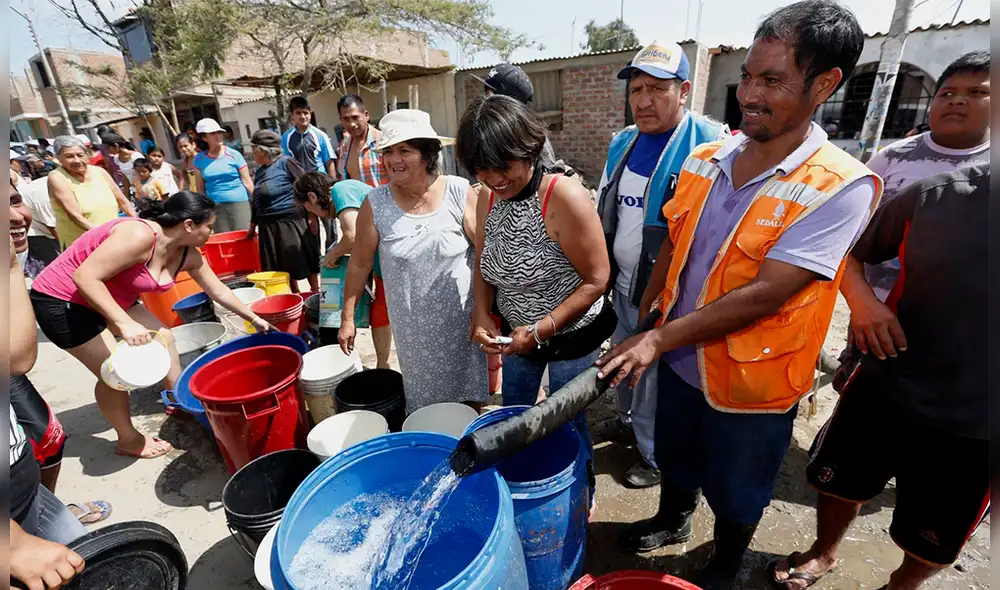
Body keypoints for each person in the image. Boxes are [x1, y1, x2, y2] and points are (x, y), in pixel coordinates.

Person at [597, 3, 881, 588]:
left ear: (825, 83)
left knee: (737, 487)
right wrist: (651, 307)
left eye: (772, 81)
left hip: (754, 382)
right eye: (749, 76)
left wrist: (657, 336)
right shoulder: (707, 158)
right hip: (678, 361)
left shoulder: (841, 185)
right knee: (676, 457)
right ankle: (674, 518)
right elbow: (674, 245)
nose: (749, 94)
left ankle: (726, 560)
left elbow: (767, 293)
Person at [772, 163, 989, 590]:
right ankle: (822, 552)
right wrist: (863, 302)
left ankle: (901, 586)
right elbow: (847, 251)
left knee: (938, 530)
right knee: (840, 480)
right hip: (891, 377)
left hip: (981, 424)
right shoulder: (939, 194)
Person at [30, 191, 274, 459]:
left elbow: (220, 291)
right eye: (209, 227)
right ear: (189, 225)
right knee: (115, 372)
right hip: (62, 300)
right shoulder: (138, 235)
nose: (211, 233)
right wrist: (124, 324)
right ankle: (129, 440)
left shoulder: (188, 254)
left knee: (164, 337)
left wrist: (254, 318)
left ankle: (178, 400)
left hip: (108, 296)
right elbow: (85, 277)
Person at [597, 40, 730, 489]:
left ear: (684, 90)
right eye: (636, 89)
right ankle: (625, 420)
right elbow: (610, 208)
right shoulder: (623, 142)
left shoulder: (712, 145)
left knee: (653, 369)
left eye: (657, 88)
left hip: (672, 285)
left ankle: (654, 455)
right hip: (623, 279)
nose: (643, 100)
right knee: (620, 356)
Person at [459, 92, 612, 469]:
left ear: (528, 150)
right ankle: (523, 479)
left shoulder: (563, 197)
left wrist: (542, 330)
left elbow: (597, 280)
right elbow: (483, 259)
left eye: (503, 166)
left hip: (572, 333)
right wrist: (480, 314)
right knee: (514, 415)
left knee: (566, 422)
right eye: (482, 168)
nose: (494, 179)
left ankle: (579, 490)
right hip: (517, 335)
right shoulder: (486, 197)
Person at [832, 50, 990, 392]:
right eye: (947, 93)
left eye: (977, 92)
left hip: (959, 332)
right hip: (876, 315)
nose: (957, 102)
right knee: (863, 396)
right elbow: (845, 240)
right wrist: (862, 303)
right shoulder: (891, 159)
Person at [338, 109, 488, 410]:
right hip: (414, 333)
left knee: (467, 403)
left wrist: (483, 312)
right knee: (425, 407)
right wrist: (347, 319)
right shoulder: (376, 204)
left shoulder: (459, 191)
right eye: (388, 151)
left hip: (461, 323)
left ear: (427, 154)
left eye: (404, 150)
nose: (393, 160)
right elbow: (359, 264)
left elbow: (485, 255)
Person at [9, 236, 88, 590]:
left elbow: (15, 359)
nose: (17, 214)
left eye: (13, 199)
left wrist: (9, 266)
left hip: (28, 494)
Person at [294, 174, 393, 369]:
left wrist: (333, 253)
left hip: (394, 264)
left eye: (308, 209)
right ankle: (383, 366)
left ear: (313, 197)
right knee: (380, 316)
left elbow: (353, 236)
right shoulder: (345, 196)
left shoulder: (341, 190)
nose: (312, 214)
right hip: (384, 265)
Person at [247, 130, 319, 293]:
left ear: (263, 150)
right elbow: (256, 200)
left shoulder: (287, 163)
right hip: (269, 226)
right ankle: (295, 297)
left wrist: (311, 215)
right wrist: (253, 225)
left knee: (304, 260)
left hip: (291, 221)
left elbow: (307, 187)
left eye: (253, 149)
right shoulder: (260, 171)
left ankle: (316, 294)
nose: (252, 154)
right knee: (283, 269)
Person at [48, 135, 136, 249]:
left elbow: (123, 201)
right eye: (69, 156)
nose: (76, 160)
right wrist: (105, 235)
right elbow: (75, 216)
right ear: (59, 158)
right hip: (82, 244)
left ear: (87, 154)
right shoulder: (57, 177)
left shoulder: (99, 172)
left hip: (111, 238)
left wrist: (138, 223)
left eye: (80, 155)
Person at [282, 95, 338, 250]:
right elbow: (287, 165)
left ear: (310, 114)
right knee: (310, 230)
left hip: (321, 188)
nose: (303, 116)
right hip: (301, 191)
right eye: (299, 113)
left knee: (330, 228)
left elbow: (329, 161)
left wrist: (333, 188)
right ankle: (316, 265)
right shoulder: (286, 138)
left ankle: (333, 264)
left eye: (306, 112)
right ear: (292, 116)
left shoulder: (319, 135)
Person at [193, 118, 254, 233]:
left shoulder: (234, 155)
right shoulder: (199, 159)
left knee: (244, 237)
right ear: (204, 137)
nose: (218, 136)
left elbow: (247, 181)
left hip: (239, 203)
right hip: (215, 207)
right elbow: (200, 189)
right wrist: (203, 211)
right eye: (213, 133)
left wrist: (259, 201)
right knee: (223, 239)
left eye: (219, 132)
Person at [336, 94, 387, 187]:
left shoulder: (384, 141)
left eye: (355, 117)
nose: (352, 124)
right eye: (346, 119)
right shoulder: (344, 147)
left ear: (366, 115)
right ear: (341, 120)